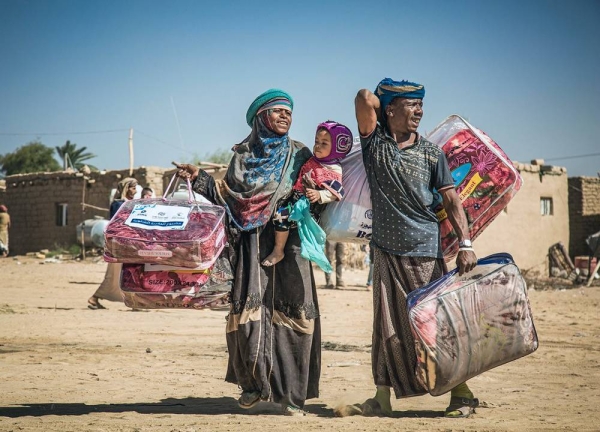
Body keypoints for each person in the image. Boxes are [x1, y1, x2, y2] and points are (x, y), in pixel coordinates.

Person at [174, 89, 321, 416]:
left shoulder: (300, 155)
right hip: (251, 245)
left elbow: (320, 188)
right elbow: (227, 202)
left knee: (294, 312)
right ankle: (254, 385)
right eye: (278, 111)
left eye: (289, 111)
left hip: (291, 246)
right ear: (261, 118)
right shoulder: (242, 158)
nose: (285, 116)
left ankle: (292, 396)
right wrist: (199, 178)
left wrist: (314, 198)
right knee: (249, 315)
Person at [342, 78, 478, 418]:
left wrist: (465, 243)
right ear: (389, 110)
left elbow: (451, 199)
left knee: (436, 325)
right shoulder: (376, 144)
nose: (419, 111)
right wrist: (384, 97)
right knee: (386, 328)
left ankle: (462, 393)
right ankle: (381, 399)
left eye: (421, 105)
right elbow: (362, 98)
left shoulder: (433, 153)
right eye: (411, 105)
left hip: (426, 253)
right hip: (386, 252)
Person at [262, 120, 353, 268]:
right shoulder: (311, 159)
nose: (317, 146)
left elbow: (337, 193)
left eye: (324, 143)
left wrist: (319, 195)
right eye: (317, 141)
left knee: (280, 216)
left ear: (337, 148)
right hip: (295, 201)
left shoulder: (334, 169)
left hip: (309, 209)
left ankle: (278, 250)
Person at [88, 177, 139, 310]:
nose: (135, 190)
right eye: (133, 188)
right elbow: (116, 224)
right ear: (126, 188)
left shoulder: (132, 203)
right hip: (119, 243)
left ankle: (134, 301)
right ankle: (95, 298)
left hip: (130, 242)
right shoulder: (118, 204)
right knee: (114, 274)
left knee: (130, 272)